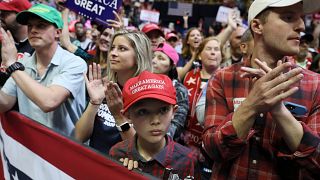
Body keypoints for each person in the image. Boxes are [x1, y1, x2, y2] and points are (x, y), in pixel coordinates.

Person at [203, 0, 320, 179]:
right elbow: (213, 151)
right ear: (257, 26)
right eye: (288, 17)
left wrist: (278, 109)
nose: (302, 26)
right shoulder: (223, 78)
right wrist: (252, 105)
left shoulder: (315, 84)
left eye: (301, 18)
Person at [0, 4, 87, 136]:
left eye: (41, 25)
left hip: (66, 151)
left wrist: (13, 65)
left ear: (57, 32)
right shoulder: (23, 63)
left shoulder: (74, 63)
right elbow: (4, 102)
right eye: (30, 26)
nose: (33, 30)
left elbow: (49, 101)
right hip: (33, 148)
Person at [109, 71, 200, 179]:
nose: (155, 121)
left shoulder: (187, 159)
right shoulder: (118, 154)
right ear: (128, 116)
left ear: (173, 112)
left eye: (163, 110)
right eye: (143, 112)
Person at [74, 30, 153, 154]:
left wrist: (119, 117)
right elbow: (78, 137)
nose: (113, 53)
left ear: (139, 56)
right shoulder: (105, 87)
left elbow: (141, 152)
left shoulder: (149, 96)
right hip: (92, 163)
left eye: (122, 49)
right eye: (113, 48)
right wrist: (94, 102)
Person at [183, 37, 222, 179]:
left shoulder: (226, 80)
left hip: (211, 149)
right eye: (209, 49)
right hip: (184, 144)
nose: (213, 53)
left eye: (216, 50)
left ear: (222, 56)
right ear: (199, 55)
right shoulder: (188, 76)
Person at [152, 42, 189, 142]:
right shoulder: (144, 82)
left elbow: (178, 123)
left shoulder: (179, 90)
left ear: (171, 66)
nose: (154, 61)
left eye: (161, 58)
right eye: (153, 56)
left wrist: (160, 141)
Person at [0, 0, 33, 86]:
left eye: (5, 13)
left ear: (21, 16)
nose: (0, 16)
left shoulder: (36, 47)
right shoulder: (5, 43)